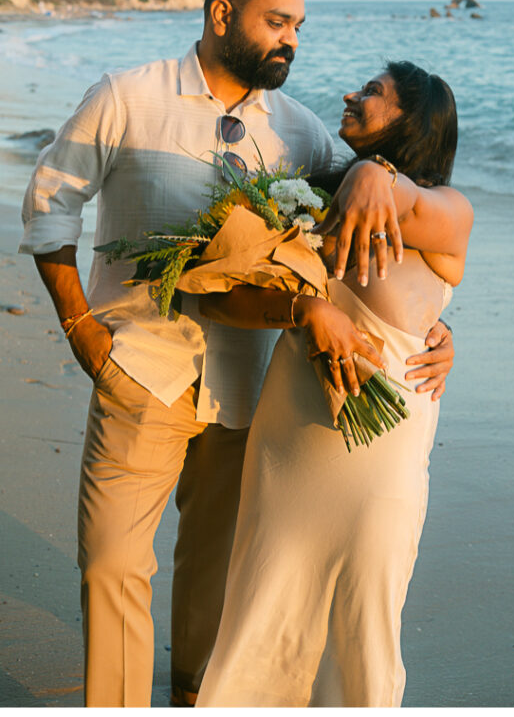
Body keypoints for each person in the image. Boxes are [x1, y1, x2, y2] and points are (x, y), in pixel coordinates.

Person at [19, 0, 455, 707]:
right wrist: (82, 330)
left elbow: (386, 231)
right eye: (276, 21)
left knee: (213, 571)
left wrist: (438, 332)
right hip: (140, 368)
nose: (291, 39)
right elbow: (50, 201)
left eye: (299, 25)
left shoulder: (298, 130)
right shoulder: (127, 94)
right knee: (112, 565)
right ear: (222, 14)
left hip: (251, 394)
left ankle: (194, 698)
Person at [195, 61, 473, 707]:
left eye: (374, 93)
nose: (352, 94)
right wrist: (305, 308)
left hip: (381, 457)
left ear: (412, 123)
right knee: (262, 609)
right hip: (289, 443)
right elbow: (219, 295)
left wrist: (376, 173)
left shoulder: (447, 213)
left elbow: (412, 204)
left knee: (364, 626)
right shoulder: (308, 202)